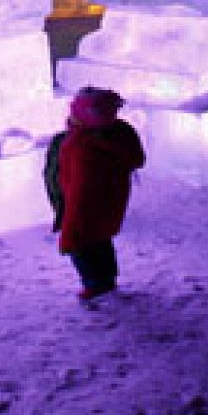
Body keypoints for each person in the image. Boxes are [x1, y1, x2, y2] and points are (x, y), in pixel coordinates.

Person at [45, 86, 146, 301]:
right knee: (101, 239)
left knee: (80, 246)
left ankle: (95, 285)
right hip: (109, 206)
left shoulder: (81, 146)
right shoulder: (119, 133)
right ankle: (107, 280)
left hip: (82, 209)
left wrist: (69, 225)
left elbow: (81, 189)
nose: (69, 114)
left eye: (74, 111)